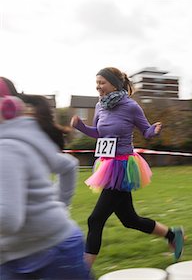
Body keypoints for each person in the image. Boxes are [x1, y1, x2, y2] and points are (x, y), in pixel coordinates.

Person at [70, 67, 184, 267]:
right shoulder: (100, 106)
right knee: (129, 219)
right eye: (96, 83)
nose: (98, 87)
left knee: (95, 220)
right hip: (106, 164)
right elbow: (98, 132)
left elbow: (145, 131)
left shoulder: (130, 106)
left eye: (102, 82)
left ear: (115, 83)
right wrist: (80, 127)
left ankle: (83, 271)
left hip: (123, 167)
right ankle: (172, 235)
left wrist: (154, 130)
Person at [0, 77, 91, 279]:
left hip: (54, 252)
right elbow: (69, 165)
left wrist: (59, 207)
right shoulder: (22, 141)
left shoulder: (7, 148)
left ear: (7, 107)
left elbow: (8, 219)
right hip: (12, 257)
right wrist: (61, 206)